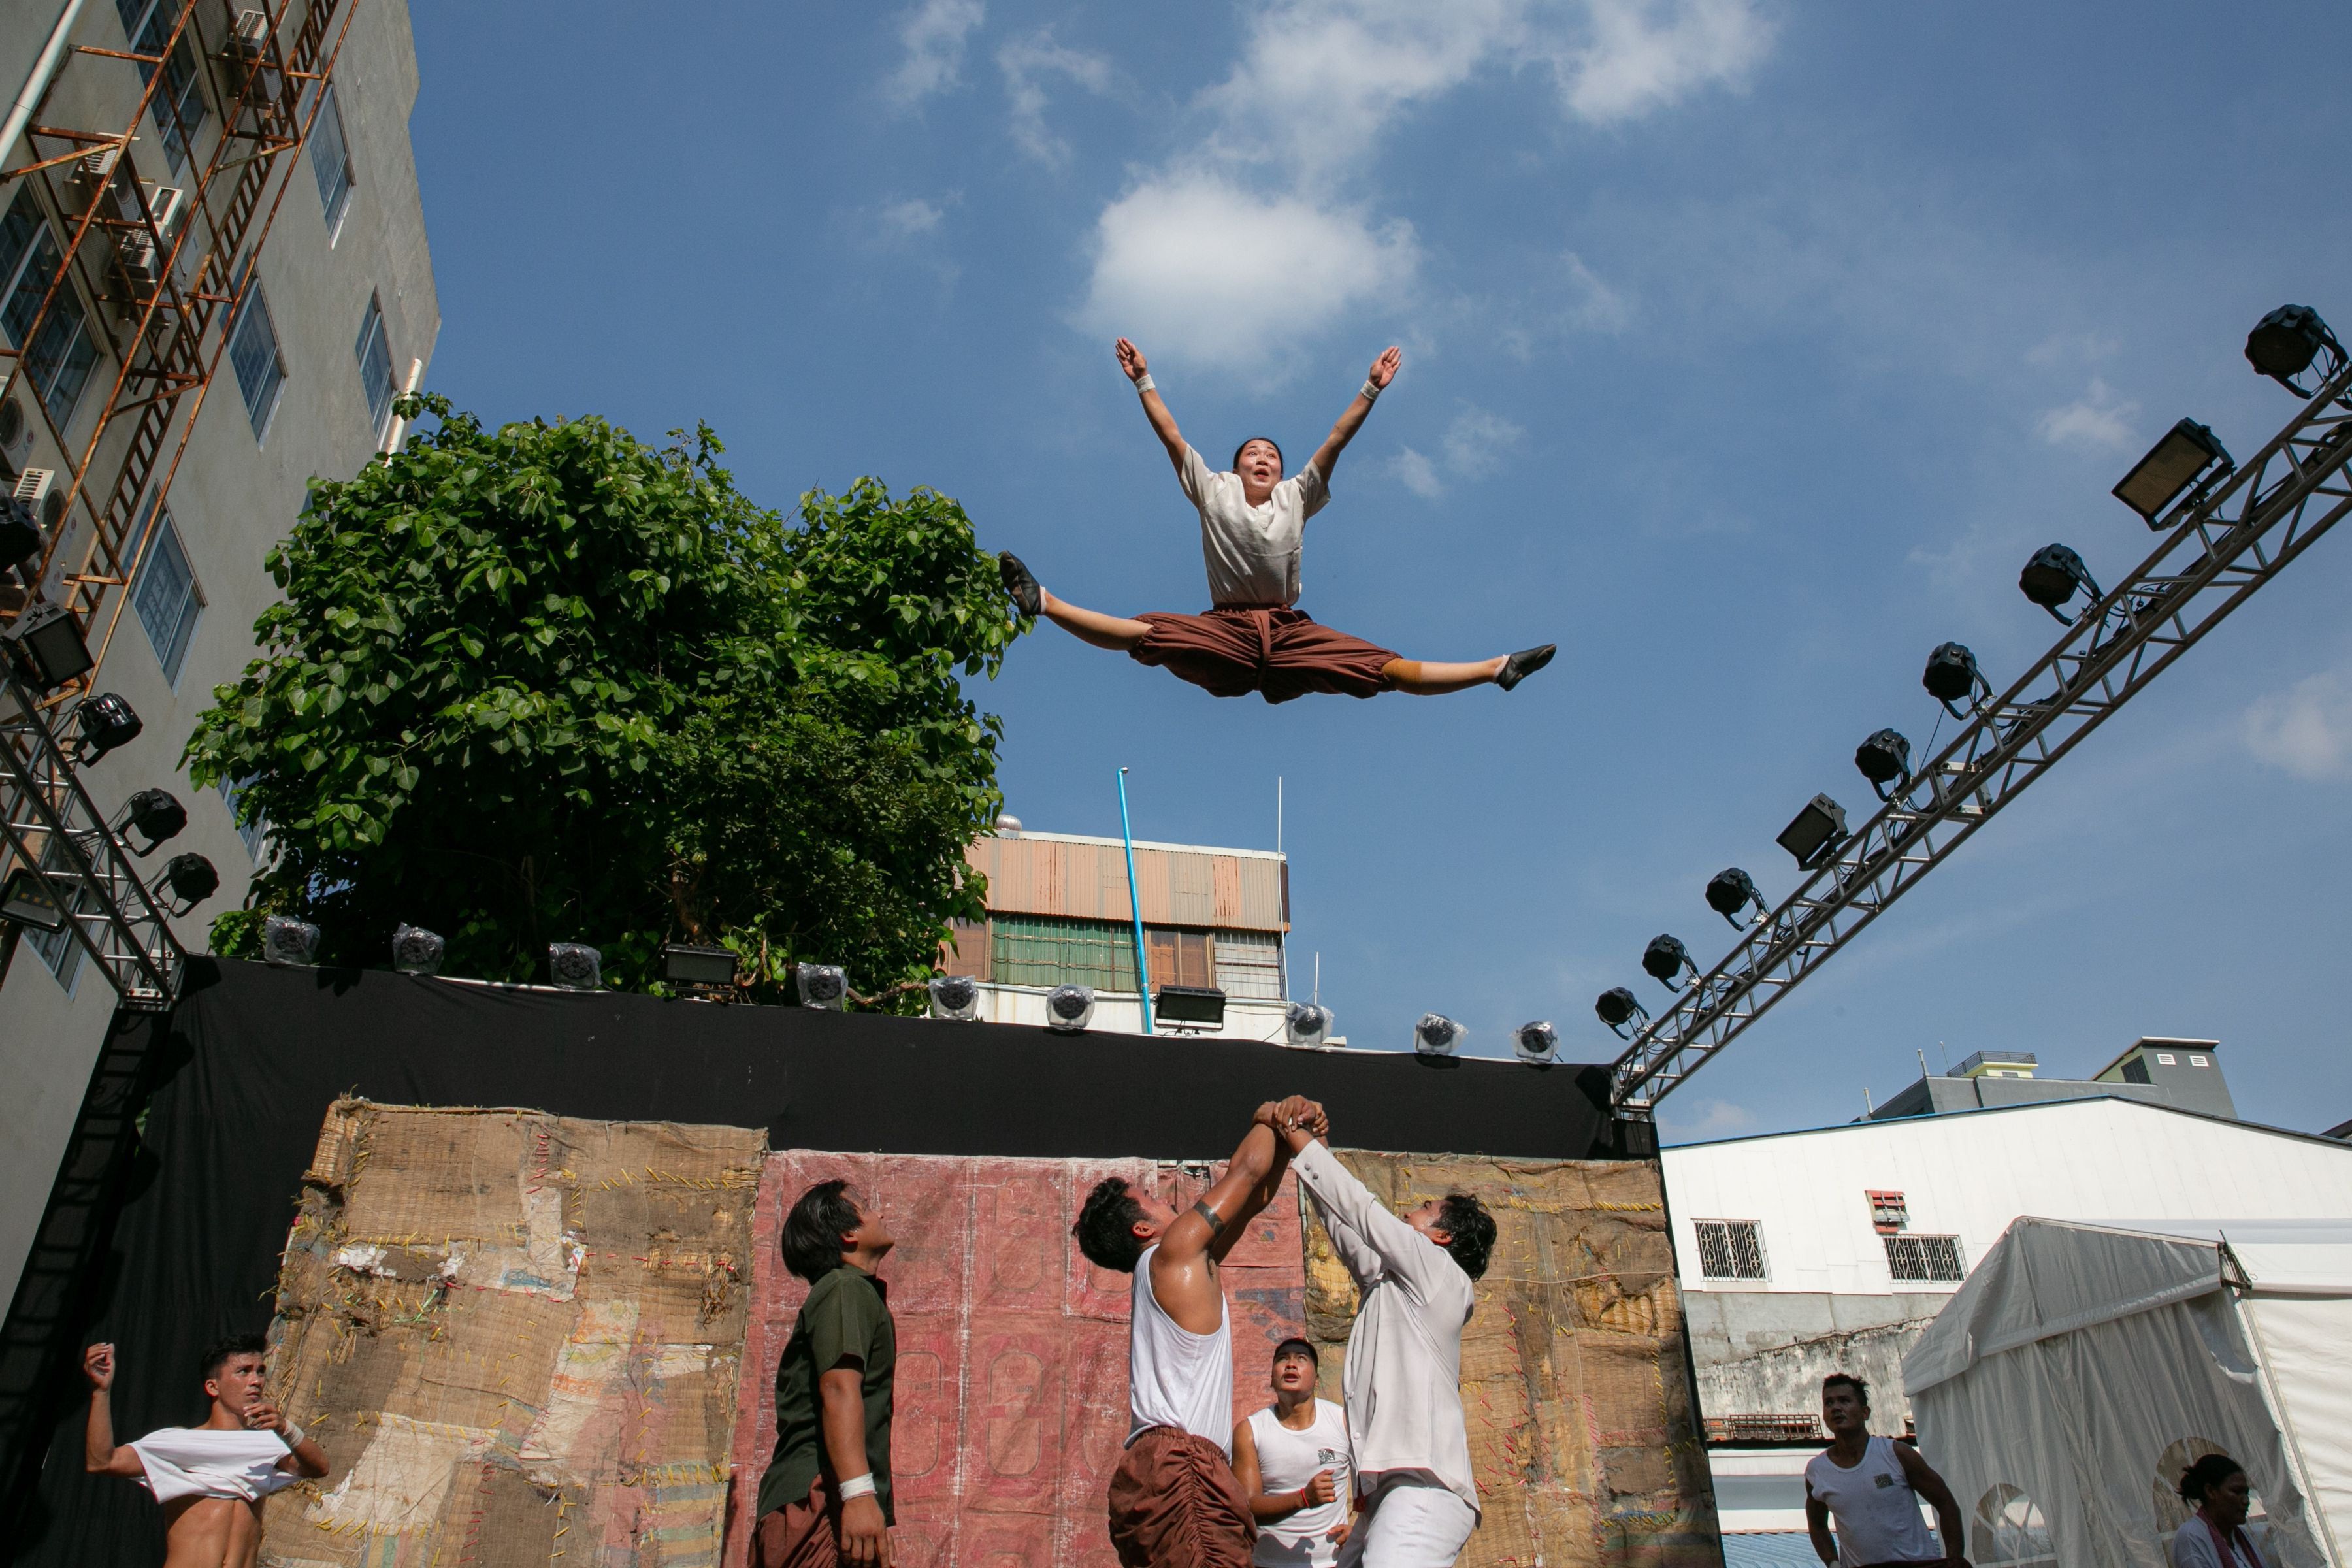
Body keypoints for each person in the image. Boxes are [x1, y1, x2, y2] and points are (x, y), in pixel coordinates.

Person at [996, 340, 1554, 704]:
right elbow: (1170, 435)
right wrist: (1144, 380)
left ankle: (1495, 668)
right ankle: (1042, 601)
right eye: (1252, 454)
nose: (1263, 459)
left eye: (1272, 455)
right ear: (1235, 466)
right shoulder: (1211, 489)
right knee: (1148, 634)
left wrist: (1371, 389)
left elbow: (1336, 440)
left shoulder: (1297, 495)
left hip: (1291, 632)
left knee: (1385, 669)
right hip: (1227, 629)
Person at [1073, 1098, 1316, 1568]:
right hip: (1181, 1468)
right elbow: (1244, 1172)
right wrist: (1269, 1114)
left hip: (1166, 1468)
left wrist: (1289, 1137)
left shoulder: (1178, 1266)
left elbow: (1254, 1197)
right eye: (1153, 1201)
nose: (1167, 1200)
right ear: (1143, 1228)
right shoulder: (1175, 1252)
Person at [1270, 1109, 1495, 1568]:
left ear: (1442, 1237)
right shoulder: (1393, 1285)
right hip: (1394, 1495)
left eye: (1425, 1210)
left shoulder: (1440, 1275)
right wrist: (1316, 1151)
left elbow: (1362, 1211)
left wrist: (1300, 1142)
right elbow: (1344, 1227)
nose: (1410, 1211)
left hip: (1425, 1493)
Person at [82, 1333, 330, 1568]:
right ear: (213, 1387)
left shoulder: (269, 1445)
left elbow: (318, 1468)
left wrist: (287, 1428)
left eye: (260, 1371)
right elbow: (102, 1462)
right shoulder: (180, 1441)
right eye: (243, 1371)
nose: (256, 1381)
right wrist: (101, 1392)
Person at [753, 1179, 900, 1568]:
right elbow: (837, 1389)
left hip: (834, 1502)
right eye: (867, 1207)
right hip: (818, 1502)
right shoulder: (843, 1288)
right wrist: (859, 1496)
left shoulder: (853, 1291)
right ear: (848, 1233)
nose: (880, 1214)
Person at [1803, 1374, 1967, 1568]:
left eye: (1844, 1401)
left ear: (1865, 1412)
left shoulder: (1896, 1454)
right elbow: (1817, 1525)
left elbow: (1945, 1502)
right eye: (1828, 1403)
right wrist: (1832, 1563)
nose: (1836, 1408)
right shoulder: (1817, 1471)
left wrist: (1954, 1559)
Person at [1233, 1337, 1354, 1568]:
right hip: (1269, 1564)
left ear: (1317, 1380)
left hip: (1333, 1563)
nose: (1291, 1364)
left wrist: (1361, 1528)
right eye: (1282, 1359)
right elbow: (1246, 1507)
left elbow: (1372, 1480)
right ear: (1271, 1379)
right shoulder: (1250, 1431)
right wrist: (1303, 1498)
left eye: (1301, 1359)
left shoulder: (1342, 1421)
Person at [2170, 1454, 2268, 1568]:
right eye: (2236, 1492)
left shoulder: (2242, 1537)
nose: (2246, 1501)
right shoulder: (2191, 1536)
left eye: (2246, 1493)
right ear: (2211, 1492)